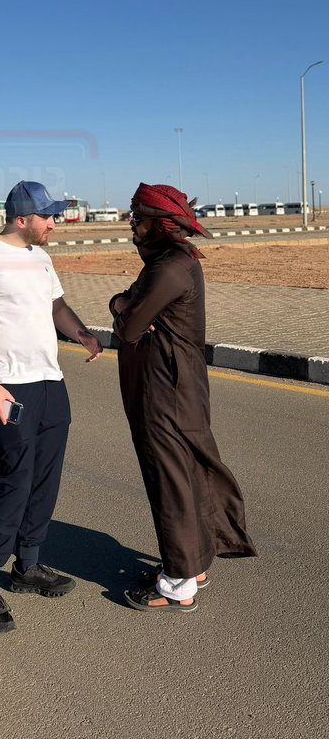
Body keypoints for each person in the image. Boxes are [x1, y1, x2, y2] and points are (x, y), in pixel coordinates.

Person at [0, 180, 103, 635]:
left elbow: (55, 304)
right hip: (11, 386)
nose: (54, 223)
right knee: (15, 480)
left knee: (45, 477)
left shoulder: (41, 257)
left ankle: (29, 565)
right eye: (48, 217)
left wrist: (79, 332)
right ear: (22, 219)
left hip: (49, 381)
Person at [109, 183, 257, 612]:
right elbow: (138, 316)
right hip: (180, 385)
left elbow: (130, 327)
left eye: (137, 218)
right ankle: (193, 564)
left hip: (164, 390)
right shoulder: (175, 261)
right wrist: (130, 304)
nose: (131, 225)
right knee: (186, 473)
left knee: (169, 479)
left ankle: (176, 583)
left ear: (160, 224)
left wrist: (120, 301)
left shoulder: (168, 268)